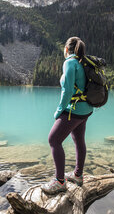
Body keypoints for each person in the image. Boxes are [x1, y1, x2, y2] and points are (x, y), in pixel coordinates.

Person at [41, 36, 93, 194]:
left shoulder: (69, 62)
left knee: (53, 139)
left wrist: (59, 110)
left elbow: (68, 90)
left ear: (66, 49)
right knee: (78, 140)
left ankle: (60, 181)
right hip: (86, 110)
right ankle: (78, 175)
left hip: (74, 110)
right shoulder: (82, 62)